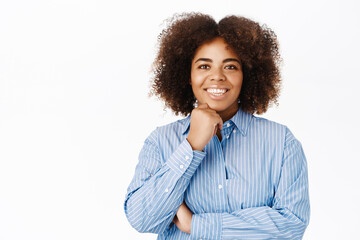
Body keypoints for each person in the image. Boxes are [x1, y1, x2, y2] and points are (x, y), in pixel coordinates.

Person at [124, 12, 310, 240]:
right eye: (204, 66)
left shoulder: (281, 142)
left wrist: (196, 224)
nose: (217, 77)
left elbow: (292, 225)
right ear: (188, 75)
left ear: (246, 75)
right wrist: (191, 146)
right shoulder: (161, 142)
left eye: (230, 67)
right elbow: (142, 219)